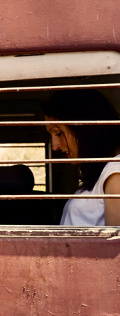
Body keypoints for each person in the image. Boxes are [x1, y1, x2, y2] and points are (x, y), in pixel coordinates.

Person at [42, 89, 120, 226]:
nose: (55, 146)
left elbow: (114, 245)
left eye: (58, 133)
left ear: (85, 128)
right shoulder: (103, 172)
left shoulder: (116, 173)